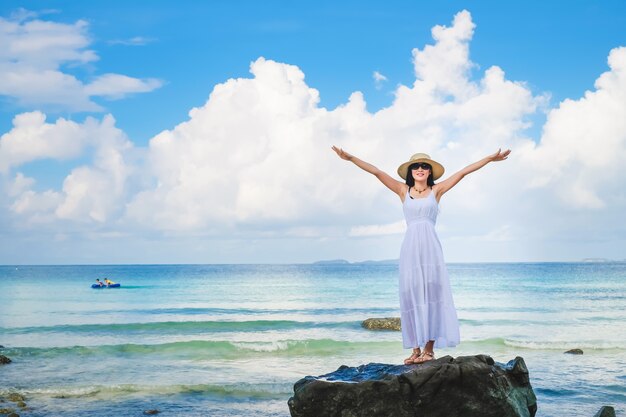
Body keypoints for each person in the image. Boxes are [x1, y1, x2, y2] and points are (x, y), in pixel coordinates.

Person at [331, 146, 510, 364]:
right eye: (416, 166)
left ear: (430, 171)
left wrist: (490, 158)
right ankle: (415, 350)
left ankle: (429, 350)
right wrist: (350, 158)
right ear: (410, 170)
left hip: (431, 250)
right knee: (411, 295)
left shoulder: (437, 191)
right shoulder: (402, 190)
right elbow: (376, 171)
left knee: (433, 295)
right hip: (410, 250)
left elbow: (463, 172)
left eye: (425, 166)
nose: (420, 169)